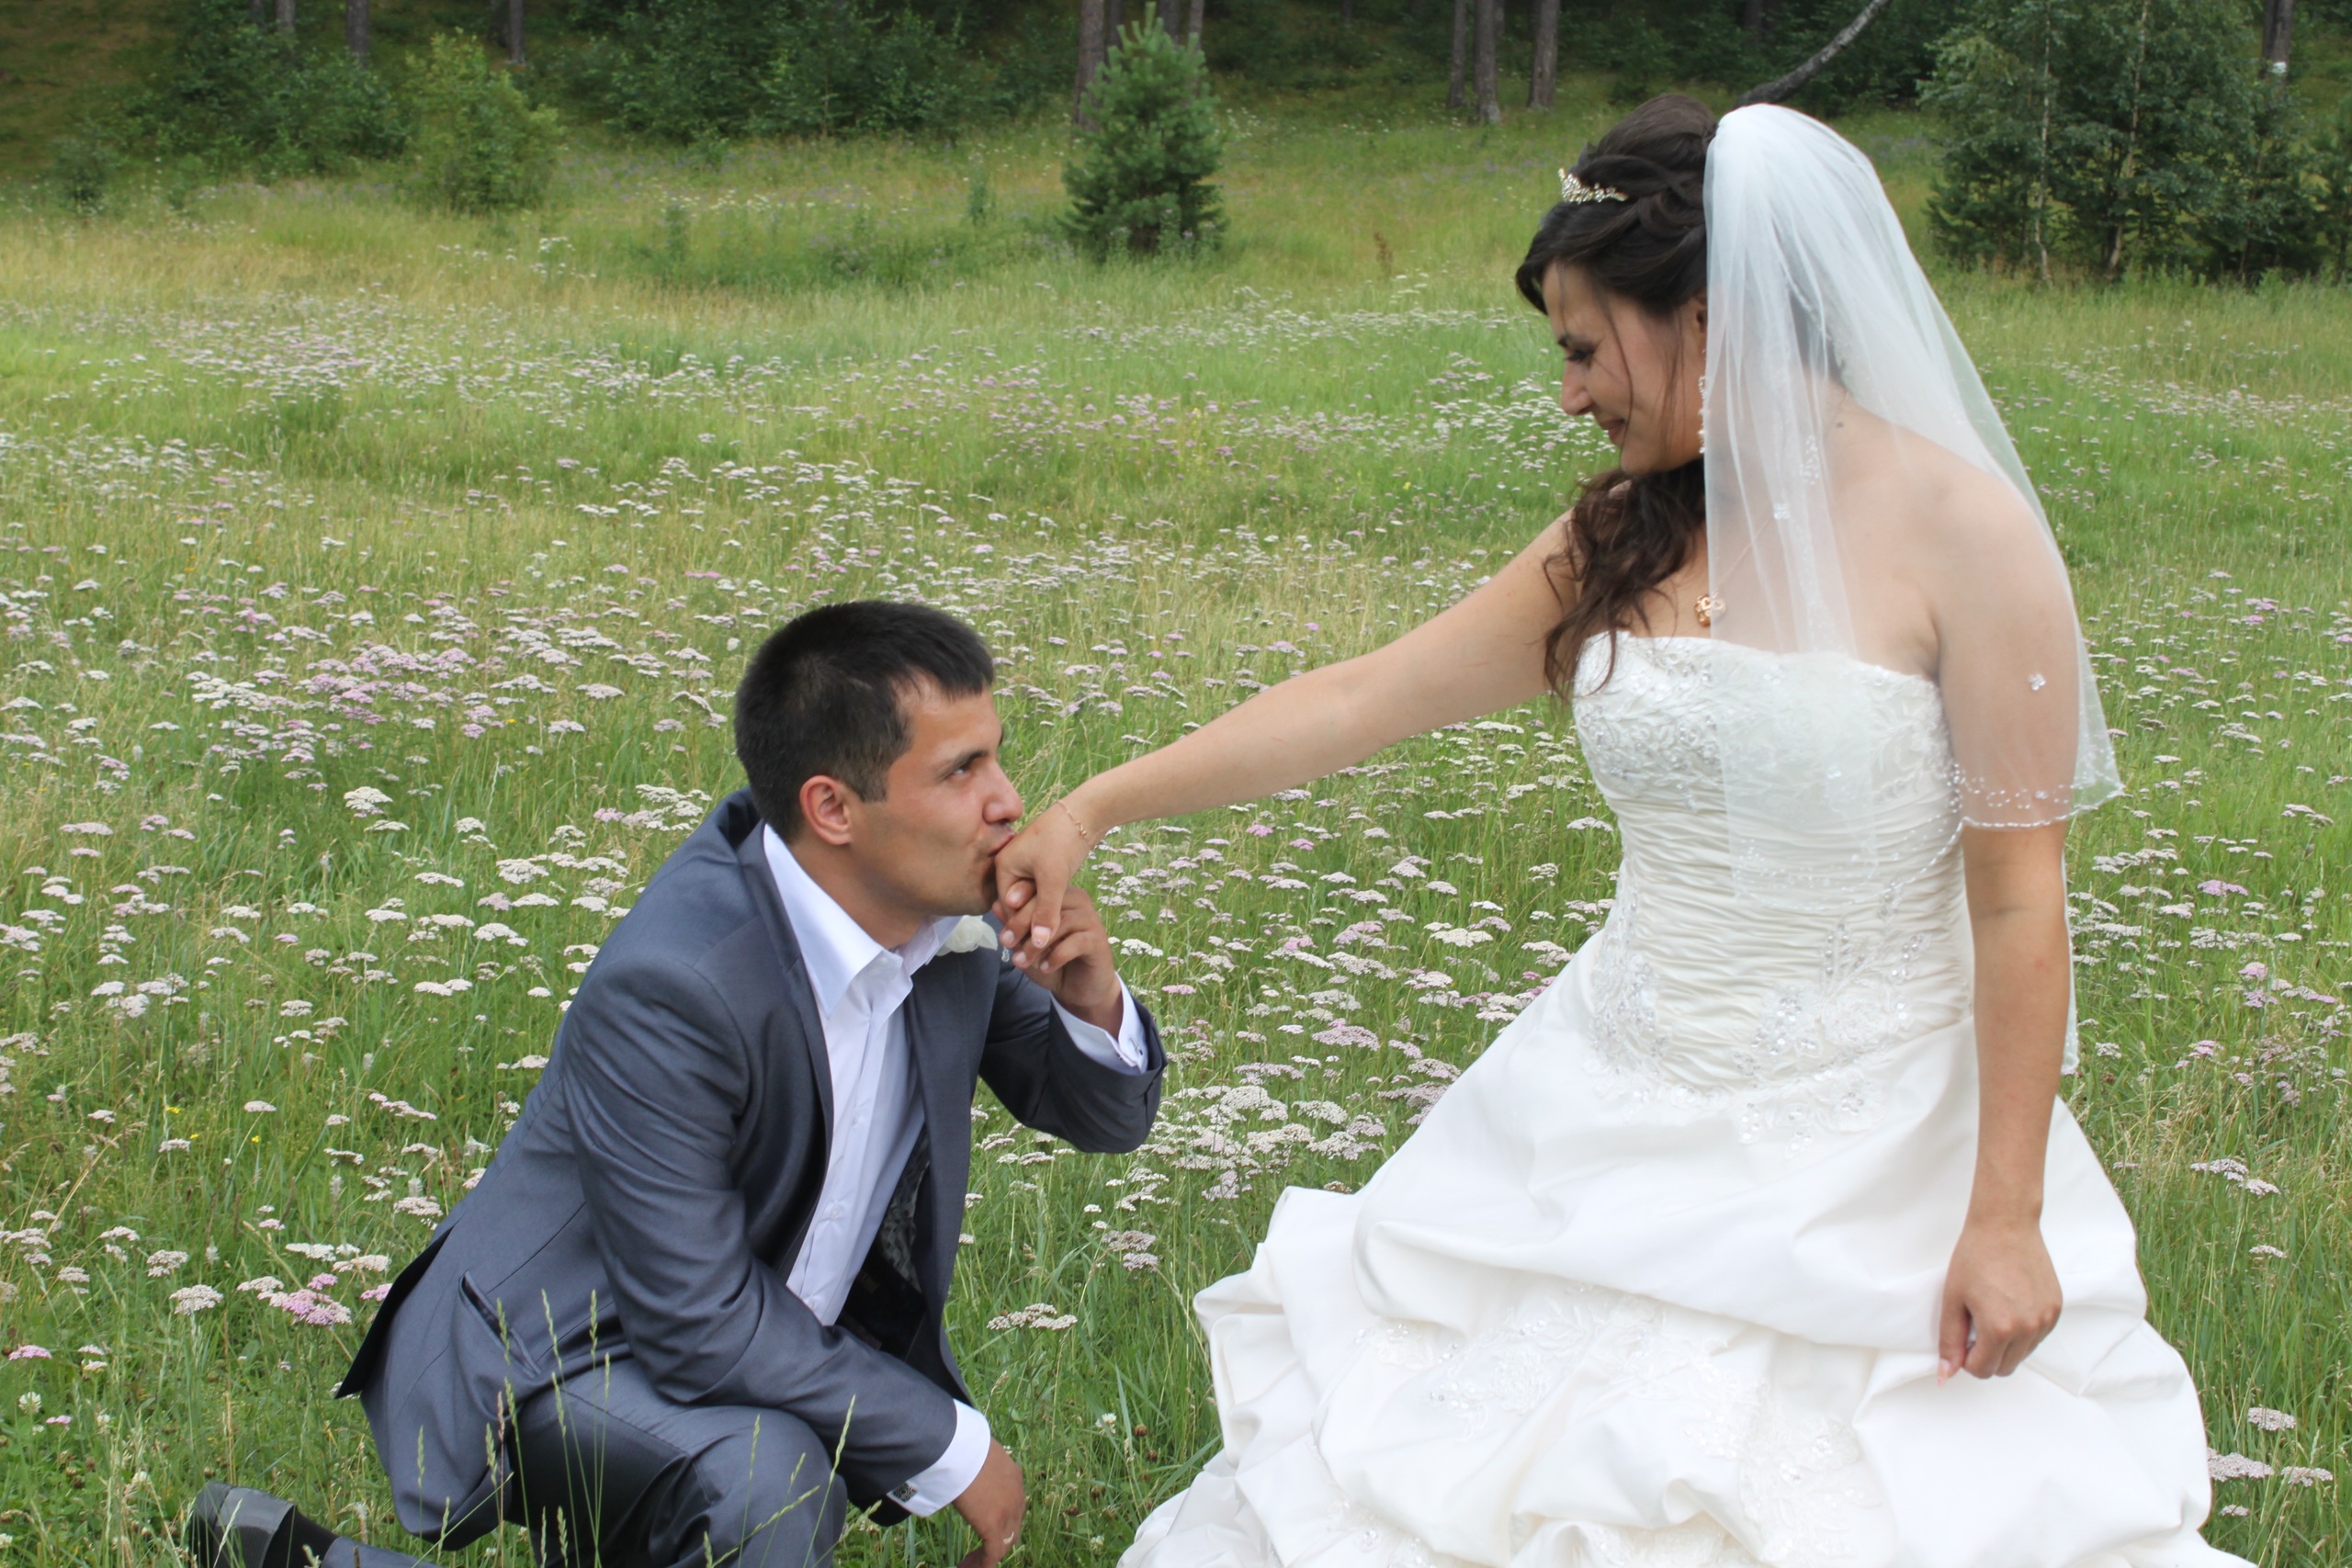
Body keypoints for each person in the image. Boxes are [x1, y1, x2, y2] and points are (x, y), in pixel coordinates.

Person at [988, 98, 2248, 1567]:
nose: (1571, 393)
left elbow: (2022, 901)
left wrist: (2008, 1215)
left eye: (1587, 348)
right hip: (1602, 1099)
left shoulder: (1968, 536)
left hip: (1871, 1143)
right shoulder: (1622, 534)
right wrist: (1095, 802)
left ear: (1707, 317)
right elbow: (1360, 698)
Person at [189, 601, 1166, 1568]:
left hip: (733, 1336)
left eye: (997, 757)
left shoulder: (943, 923)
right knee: (768, 1476)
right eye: (962, 770)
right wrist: (948, 1445)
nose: (1008, 802)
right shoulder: (677, 982)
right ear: (832, 808)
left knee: (763, 1464)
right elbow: (696, 1322)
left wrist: (1091, 997)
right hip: (564, 1350)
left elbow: (1100, 1117)